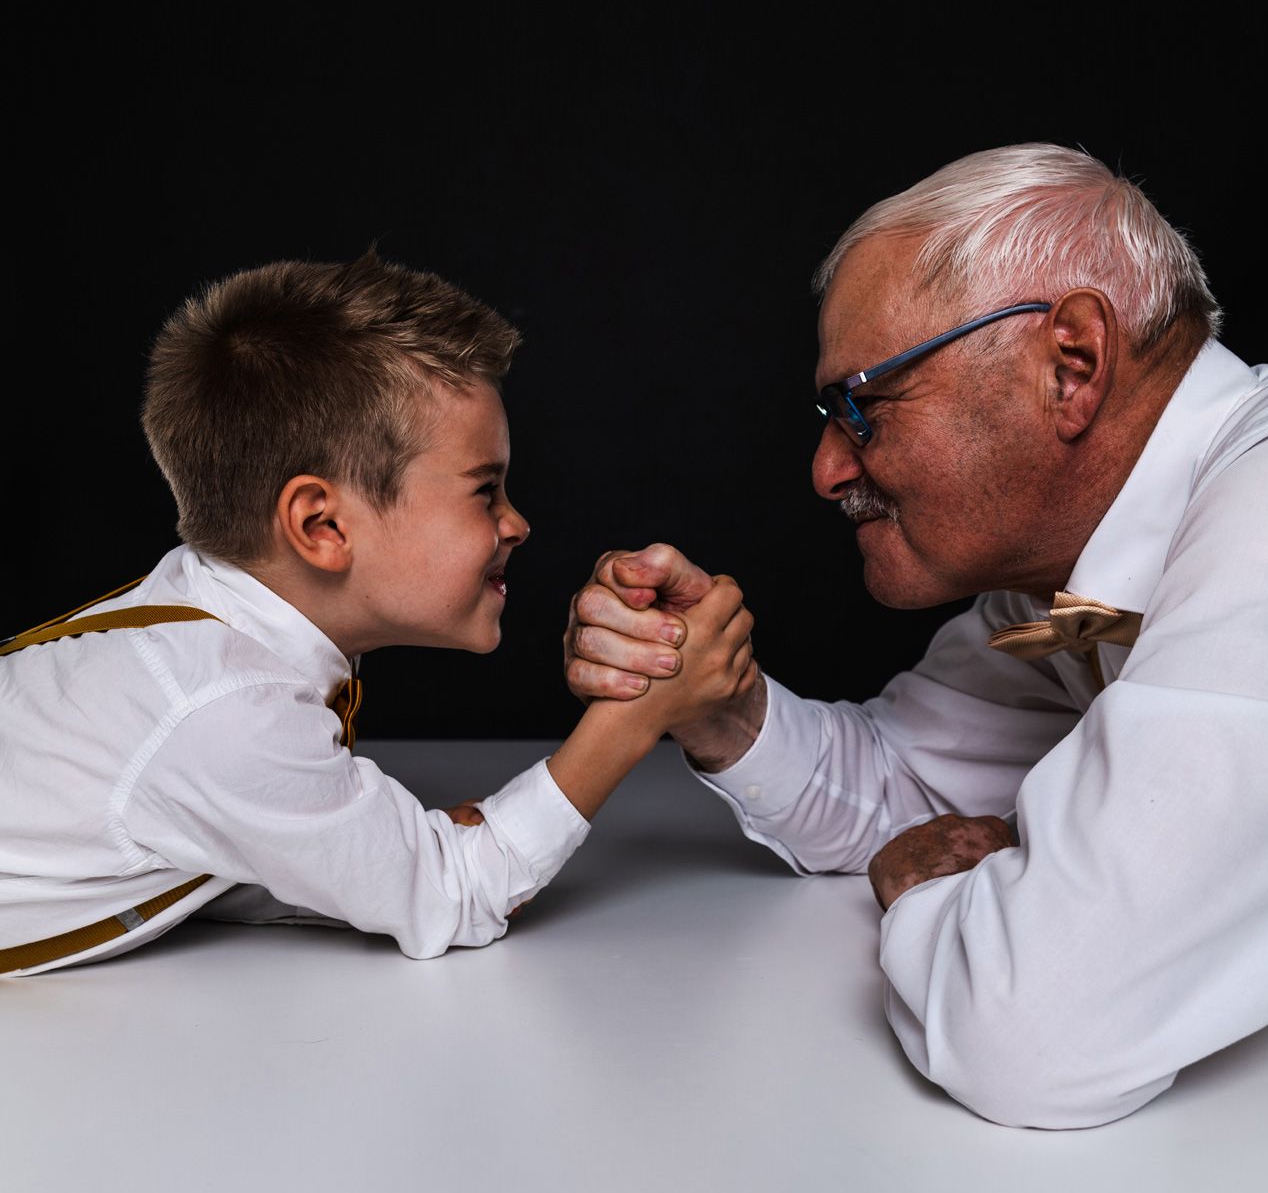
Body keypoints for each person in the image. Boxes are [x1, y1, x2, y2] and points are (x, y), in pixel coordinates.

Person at [564, 144, 1268, 1130]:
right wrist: (721, 703)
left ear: (1072, 364)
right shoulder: (1055, 598)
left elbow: (1035, 1031)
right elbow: (907, 779)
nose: (826, 469)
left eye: (863, 405)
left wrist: (929, 888)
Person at [0, 250, 754, 977]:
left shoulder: (195, 627)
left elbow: (221, 833)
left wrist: (387, 849)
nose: (516, 522)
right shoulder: (224, 709)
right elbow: (455, 896)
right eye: (483, 491)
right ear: (323, 527)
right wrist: (635, 714)